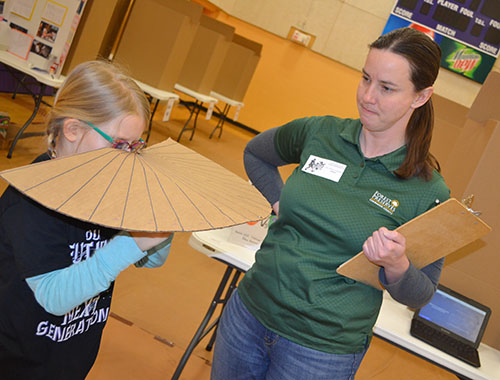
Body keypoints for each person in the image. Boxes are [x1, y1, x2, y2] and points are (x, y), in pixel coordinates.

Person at [211, 27, 450, 380]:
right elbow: (256, 154)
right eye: (366, 78)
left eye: (386, 88)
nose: (368, 96)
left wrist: (397, 264)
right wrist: (279, 202)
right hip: (247, 314)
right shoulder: (320, 133)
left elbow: (420, 294)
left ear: (420, 96)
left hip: (320, 352)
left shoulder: (428, 191)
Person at [0, 60, 172, 379]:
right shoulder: (33, 199)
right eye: (119, 144)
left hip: (67, 358)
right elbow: (54, 296)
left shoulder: (106, 187)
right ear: (74, 129)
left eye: (135, 146)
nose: (128, 157)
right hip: (16, 361)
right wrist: (133, 242)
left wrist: (160, 228)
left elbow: (150, 261)